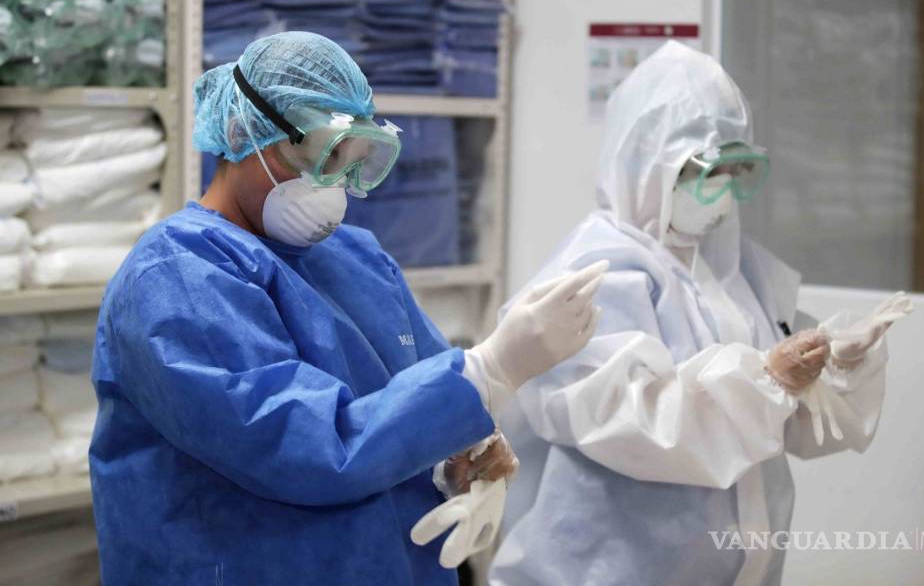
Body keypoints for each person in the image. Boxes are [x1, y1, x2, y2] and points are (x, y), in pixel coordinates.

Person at [89, 32, 605, 586]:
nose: (331, 186)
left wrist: (460, 454)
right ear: (242, 133)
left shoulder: (357, 258)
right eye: (320, 154)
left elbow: (415, 393)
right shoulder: (176, 274)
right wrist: (490, 369)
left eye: (353, 160)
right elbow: (305, 446)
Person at [489, 41, 903, 586]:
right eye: (704, 171)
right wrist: (768, 380)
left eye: (735, 169)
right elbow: (631, 423)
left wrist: (833, 369)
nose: (723, 190)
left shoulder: (734, 272)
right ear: (646, 165)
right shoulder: (594, 275)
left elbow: (783, 427)